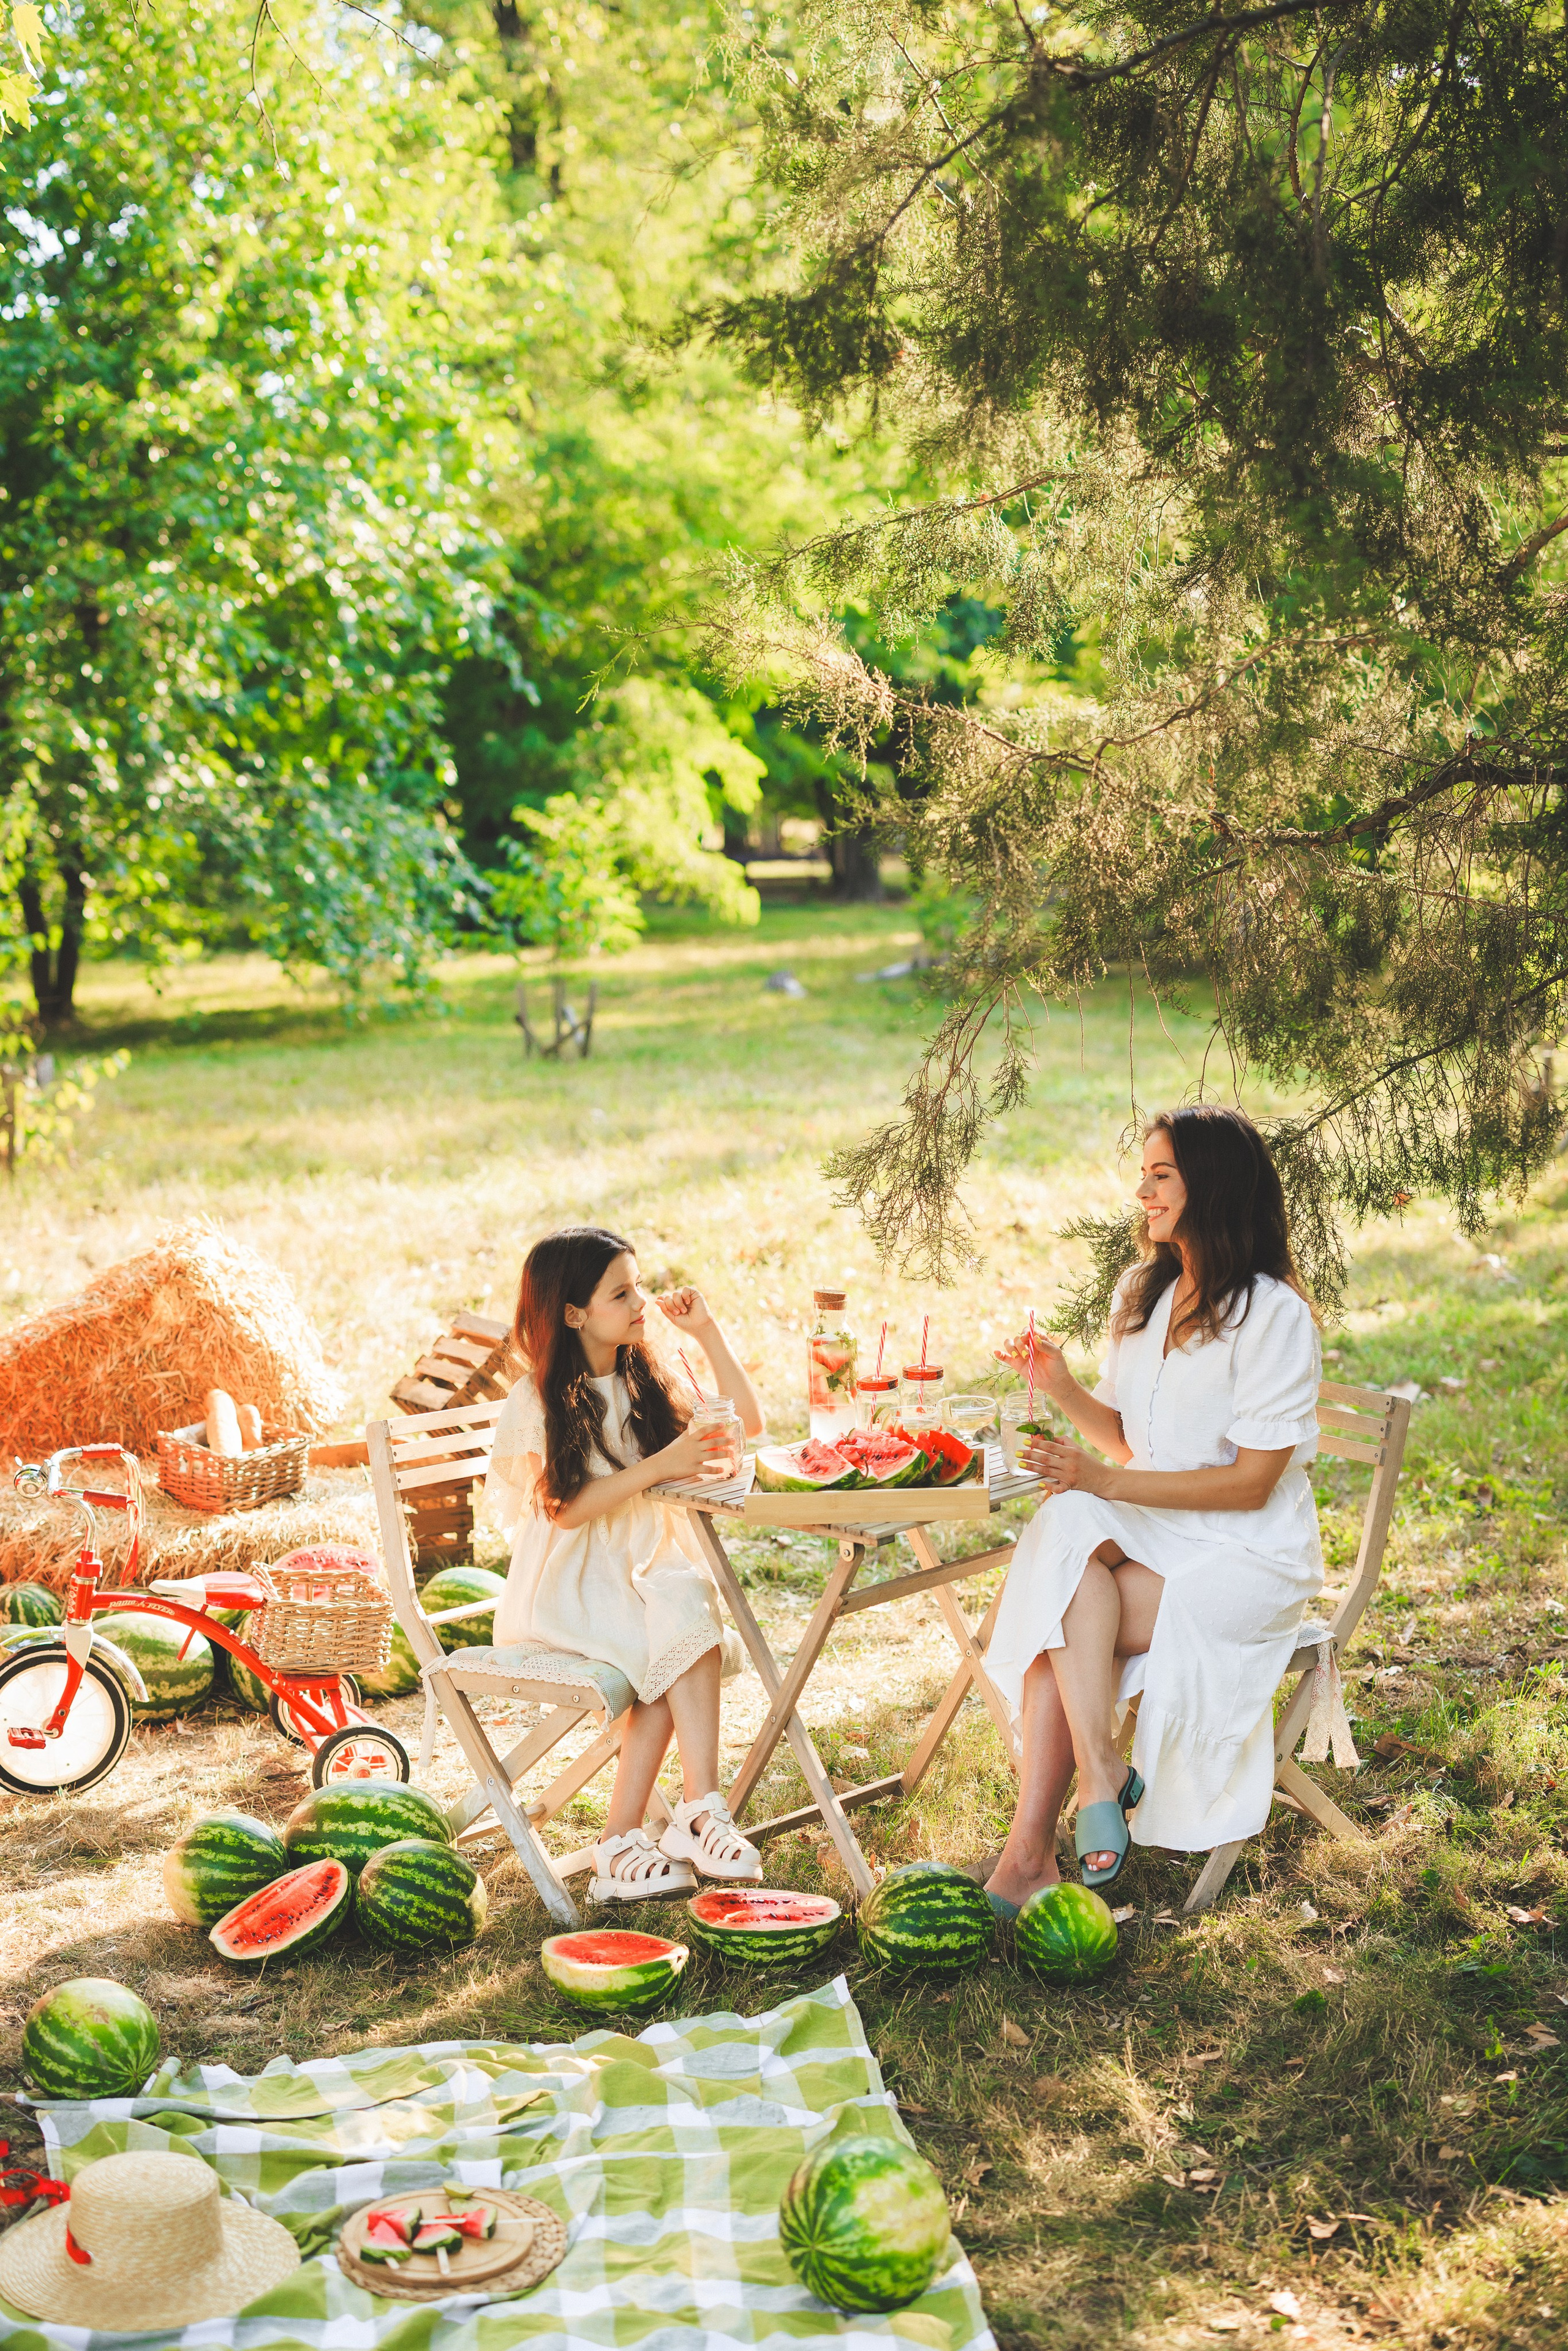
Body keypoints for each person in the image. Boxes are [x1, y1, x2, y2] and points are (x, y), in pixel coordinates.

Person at [983, 1106, 1323, 1911]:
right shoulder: (1142, 1291)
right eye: (1145, 1172)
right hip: (1161, 1525)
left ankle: (1029, 1854)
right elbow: (1132, 1441)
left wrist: (1102, 1482)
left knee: (1055, 1616)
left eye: (1161, 1174)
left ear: (1210, 1184)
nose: (1142, 1189)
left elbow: (1250, 1484)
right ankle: (1099, 1770)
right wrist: (1062, 1386)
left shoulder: (1274, 1316)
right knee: (1065, 1530)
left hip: (1246, 1552)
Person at [484, 1225, 766, 1903]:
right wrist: (664, 1466)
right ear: (574, 1312)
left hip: (642, 1568)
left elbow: (747, 1422)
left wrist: (708, 1335)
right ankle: (636, 1834)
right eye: (621, 1292)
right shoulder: (538, 1398)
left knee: (684, 1601)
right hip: (569, 1582)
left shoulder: (643, 1374)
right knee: (670, 1626)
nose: (641, 1301)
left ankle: (696, 1810)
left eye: (638, 1284)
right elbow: (566, 1508)